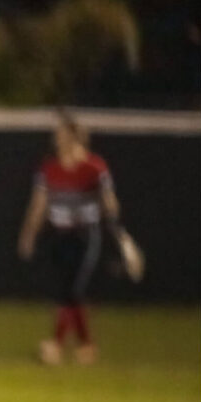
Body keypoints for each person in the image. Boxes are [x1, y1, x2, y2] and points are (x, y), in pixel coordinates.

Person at [16, 109, 124, 365]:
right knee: (68, 293)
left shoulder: (94, 168)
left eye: (61, 135)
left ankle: (55, 346)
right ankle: (86, 346)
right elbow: (38, 205)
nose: (57, 140)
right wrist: (28, 234)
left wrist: (109, 208)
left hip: (86, 236)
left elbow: (111, 203)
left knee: (72, 290)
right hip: (59, 236)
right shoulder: (49, 169)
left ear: (75, 137)